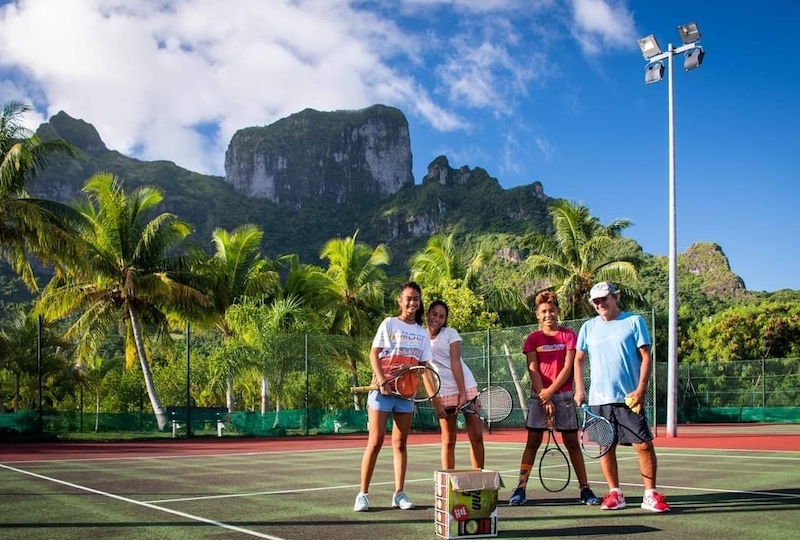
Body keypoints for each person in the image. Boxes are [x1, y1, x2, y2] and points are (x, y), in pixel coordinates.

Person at [573, 281, 670, 513]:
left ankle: (650, 495)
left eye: (604, 299)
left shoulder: (634, 321)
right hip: (599, 399)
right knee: (605, 447)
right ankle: (615, 493)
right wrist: (579, 388)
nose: (600, 304)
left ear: (615, 297)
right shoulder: (588, 327)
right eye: (596, 301)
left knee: (644, 445)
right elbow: (578, 359)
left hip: (628, 398)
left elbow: (646, 357)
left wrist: (641, 389)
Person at [508, 290, 601, 506]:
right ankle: (520, 488)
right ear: (537, 315)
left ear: (558, 312)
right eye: (543, 311)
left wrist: (551, 392)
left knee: (572, 443)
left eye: (552, 310)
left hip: (565, 397)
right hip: (538, 397)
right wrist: (544, 396)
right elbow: (532, 368)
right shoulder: (533, 339)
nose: (548, 314)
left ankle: (585, 489)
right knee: (532, 442)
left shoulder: (568, 336)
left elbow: (569, 367)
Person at [354, 281, 433, 512]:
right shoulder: (389, 323)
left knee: (400, 444)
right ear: (400, 301)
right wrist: (381, 379)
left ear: (419, 303)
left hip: (406, 395)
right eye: (408, 298)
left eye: (416, 299)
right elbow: (374, 353)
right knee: (376, 442)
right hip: (382, 393)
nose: (412, 302)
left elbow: (423, 367)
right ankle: (362, 494)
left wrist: (408, 371)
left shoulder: (422, 333)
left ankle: (399, 494)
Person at [426, 300, 485, 470]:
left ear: (445, 320)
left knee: (476, 436)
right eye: (434, 314)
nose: (437, 319)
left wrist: (463, 394)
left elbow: (455, 363)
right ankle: (448, 484)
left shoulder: (450, 333)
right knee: (448, 440)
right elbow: (425, 371)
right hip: (444, 393)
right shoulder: (421, 338)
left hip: (466, 387)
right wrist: (434, 399)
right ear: (428, 313)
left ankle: (478, 480)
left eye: (441, 316)